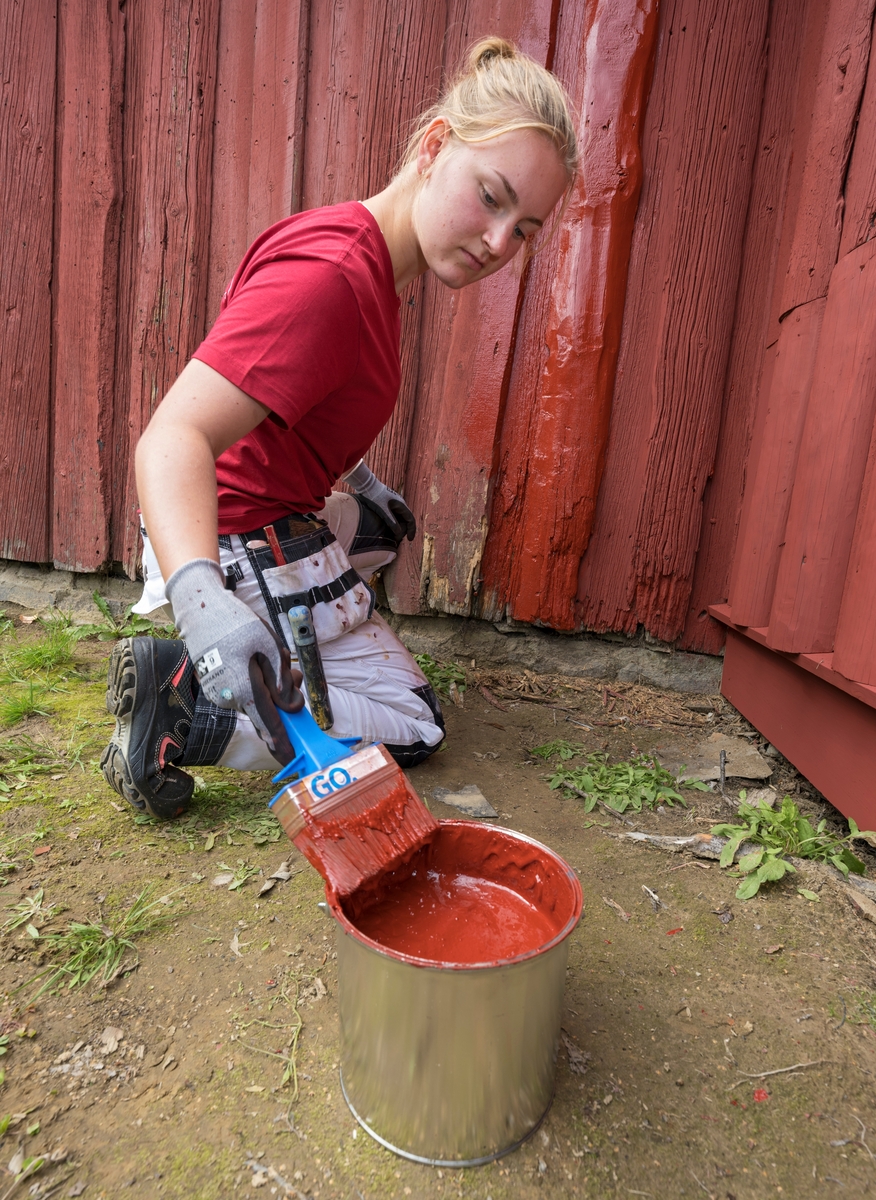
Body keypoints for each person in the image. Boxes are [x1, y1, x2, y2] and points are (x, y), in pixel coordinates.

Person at [100, 36, 578, 819]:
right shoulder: (331, 280)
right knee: (416, 722)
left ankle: (271, 638)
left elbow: (296, 398)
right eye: (491, 197)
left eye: (523, 229)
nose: (499, 244)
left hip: (262, 512)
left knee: (378, 535)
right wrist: (202, 604)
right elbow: (170, 439)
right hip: (226, 535)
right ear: (434, 147)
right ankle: (186, 705)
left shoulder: (368, 261)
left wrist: (359, 484)